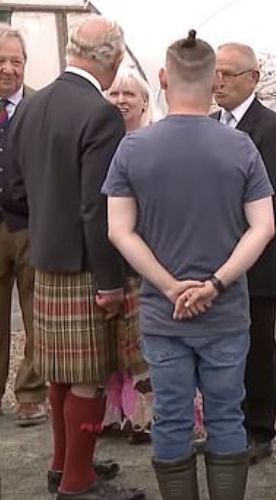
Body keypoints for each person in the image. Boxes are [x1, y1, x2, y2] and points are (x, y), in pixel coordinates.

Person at [104, 30, 274, 500]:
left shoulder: (132, 149)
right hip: (224, 313)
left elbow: (119, 230)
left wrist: (169, 285)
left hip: (164, 313)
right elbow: (261, 228)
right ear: (212, 79)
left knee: (173, 418)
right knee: (226, 416)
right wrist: (215, 284)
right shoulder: (241, 148)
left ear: (162, 78)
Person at [9, 15, 145, 500]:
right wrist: (110, 280)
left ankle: (62, 464)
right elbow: (98, 205)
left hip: (46, 256)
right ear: (110, 58)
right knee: (86, 377)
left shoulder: (32, 103)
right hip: (88, 266)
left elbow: (15, 186)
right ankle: (77, 483)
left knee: (61, 373)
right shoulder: (100, 112)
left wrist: (46, 225)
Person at [213, 41, 276, 464]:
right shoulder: (208, 124)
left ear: (253, 78)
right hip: (209, 259)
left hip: (255, 260)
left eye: (228, 73)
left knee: (255, 346)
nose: (219, 81)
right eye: (215, 72)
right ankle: (224, 425)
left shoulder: (273, 128)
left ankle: (258, 430)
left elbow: (274, 202)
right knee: (219, 347)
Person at [101, 68, 153, 445]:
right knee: (111, 340)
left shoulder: (152, 142)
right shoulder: (100, 142)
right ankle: (113, 416)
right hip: (105, 253)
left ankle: (146, 418)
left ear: (145, 102)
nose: (120, 100)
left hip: (142, 252)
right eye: (114, 93)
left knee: (140, 341)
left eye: (129, 94)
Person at [0, 23, 47, 427]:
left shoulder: (40, 106)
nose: (8, 68)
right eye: (0, 60)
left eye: (16, 60)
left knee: (38, 317)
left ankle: (31, 396)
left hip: (32, 226)